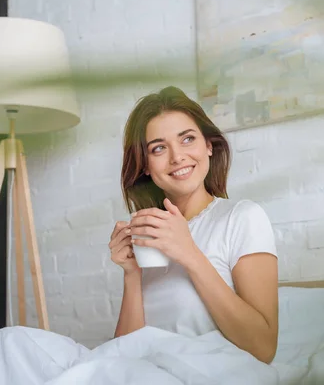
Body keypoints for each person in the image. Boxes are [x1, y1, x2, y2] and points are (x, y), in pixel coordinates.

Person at [109, 86, 279, 364]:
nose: (177, 157)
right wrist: (131, 274)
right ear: (145, 166)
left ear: (209, 146)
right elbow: (123, 357)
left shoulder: (242, 217)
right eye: (159, 148)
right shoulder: (151, 236)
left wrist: (188, 253)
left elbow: (263, 348)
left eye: (187, 139)